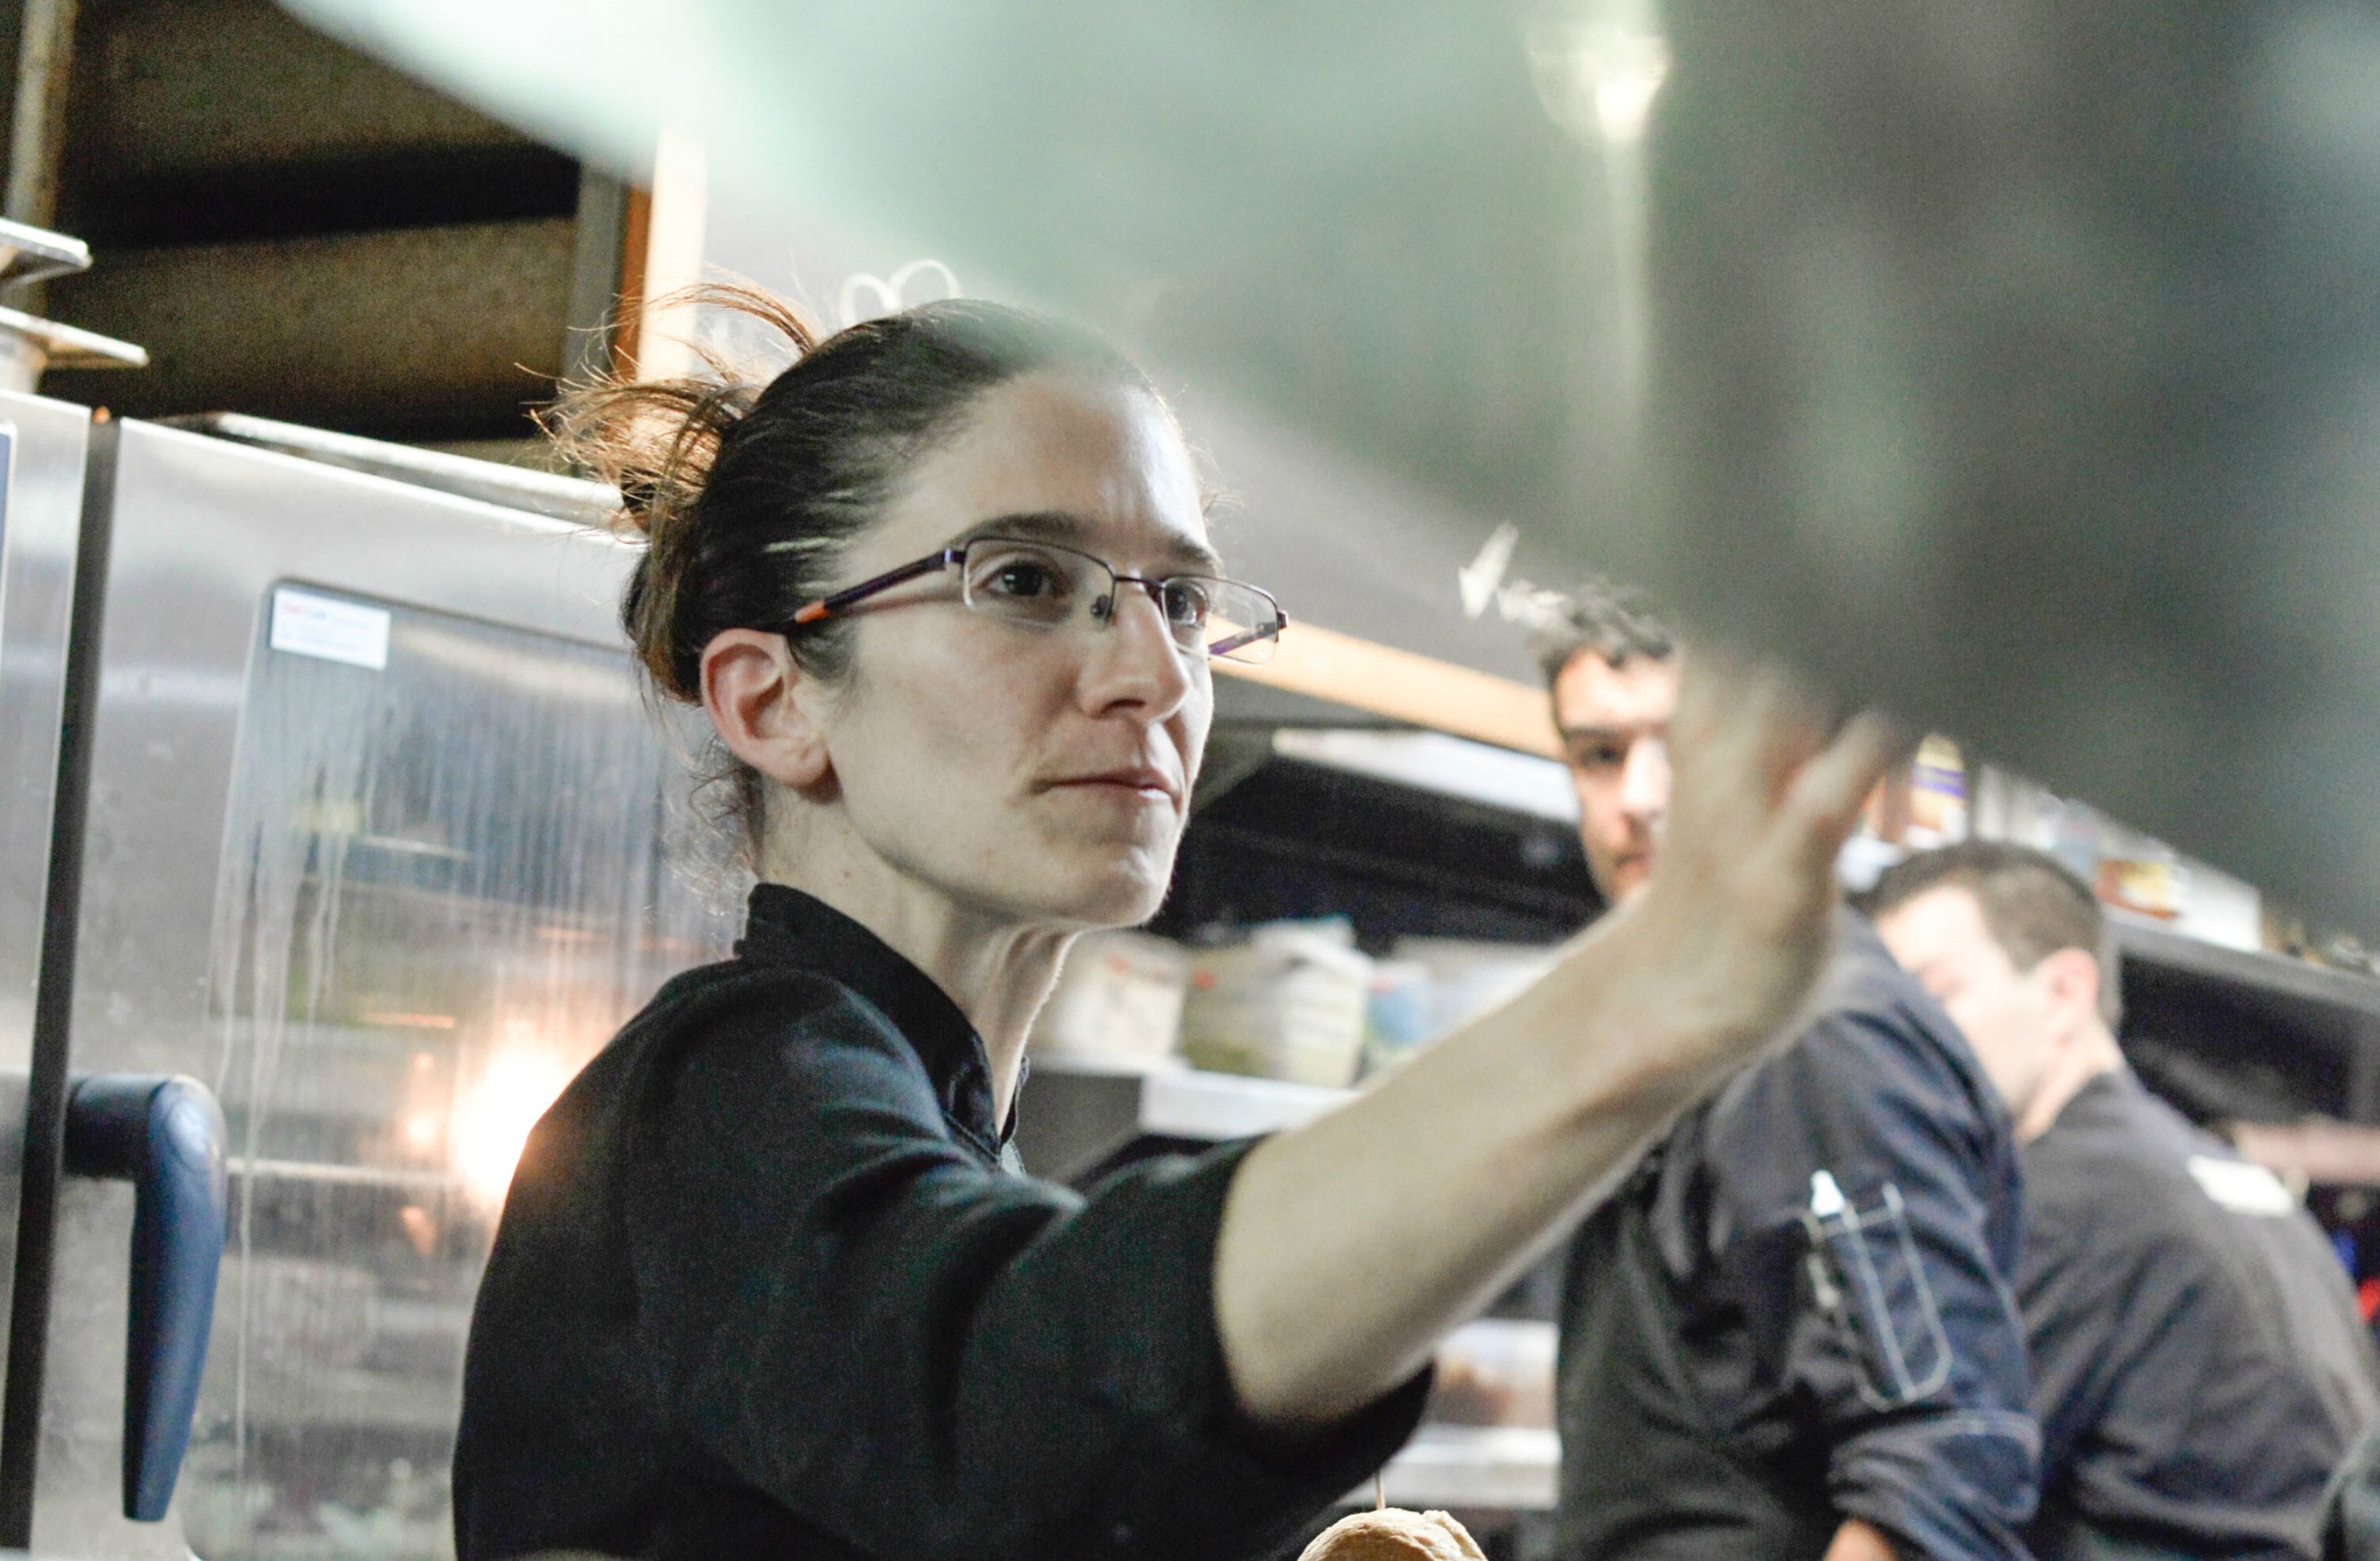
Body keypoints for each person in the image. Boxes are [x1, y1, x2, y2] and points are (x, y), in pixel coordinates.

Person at [450, 289, 1900, 1561]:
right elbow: (1011, 1413)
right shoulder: (724, 1089)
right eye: (1025, 580)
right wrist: (1649, 994)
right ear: (772, 699)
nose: (1152, 669)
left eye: (1181, 597)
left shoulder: (925, 1121)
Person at [1543, 578, 2038, 1561]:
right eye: (1599, 754)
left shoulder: (1816, 1035)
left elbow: (1940, 1471)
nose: (1637, 800)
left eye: (1677, 745)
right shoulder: (1699, 1024)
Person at [1866, 841, 2380, 1561]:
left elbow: (1932, 1495)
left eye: (1934, 997)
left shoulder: (2061, 1199)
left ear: (2065, 994)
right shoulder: (2225, 1177)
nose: (1893, 1046)